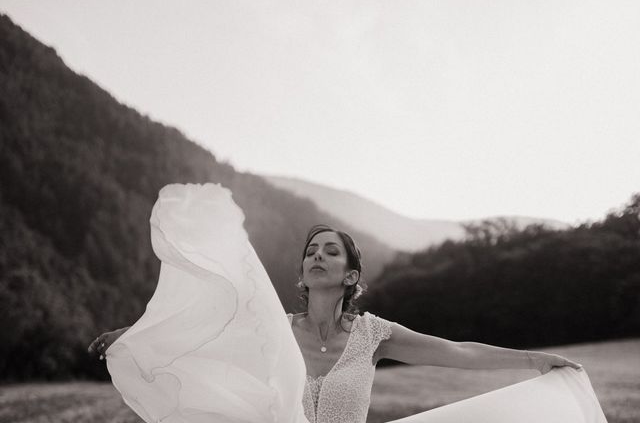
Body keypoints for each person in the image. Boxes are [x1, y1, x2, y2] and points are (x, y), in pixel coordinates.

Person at [89, 183, 606, 423]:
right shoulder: (272, 328)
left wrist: (535, 360)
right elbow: (198, 337)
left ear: (350, 274)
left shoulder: (374, 335)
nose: (317, 256)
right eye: (311, 251)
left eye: (330, 251)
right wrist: (134, 338)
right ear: (302, 272)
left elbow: (458, 351)